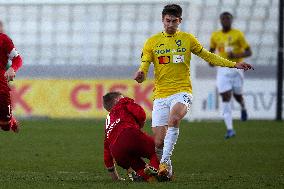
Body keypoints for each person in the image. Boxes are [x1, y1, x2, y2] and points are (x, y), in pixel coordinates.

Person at [134, 4, 253, 178]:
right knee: (158, 142)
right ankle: (167, 170)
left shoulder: (187, 39)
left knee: (174, 119)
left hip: (182, 91)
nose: (170, 24)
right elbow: (144, 65)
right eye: (167, 20)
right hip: (161, 94)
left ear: (180, 21)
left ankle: (165, 163)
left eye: (174, 21)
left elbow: (208, 55)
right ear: (162, 20)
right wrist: (141, 74)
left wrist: (233, 64)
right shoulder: (152, 42)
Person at [209, 12, 252, 139]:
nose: (225, 21)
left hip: (237, 69)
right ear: (220, 20)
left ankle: (243, 106)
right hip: (222, 69)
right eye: (223, 19)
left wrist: (236, 56)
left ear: (231, 21)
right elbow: (211, 51)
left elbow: (249, 51)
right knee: (225, 97)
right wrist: (210, 61)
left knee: (238, 96)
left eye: (228, 19)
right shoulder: (215, 35)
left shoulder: (238, 34)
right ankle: (230, 129)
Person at [103, 91, 160, 182]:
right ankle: (156, 170)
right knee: (158, 149)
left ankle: (142, 175)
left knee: (139, 165)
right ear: (117, 99)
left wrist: (115, 177)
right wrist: (139, 126)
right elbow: (141, 114)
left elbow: (107, 152)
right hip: (129, 134)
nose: (124, 98)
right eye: (122, 97)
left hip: (116, 151)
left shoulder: (108, 122)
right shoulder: (123, 103)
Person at [0, 20, 23, 132]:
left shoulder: (4, 41)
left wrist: (12, 69)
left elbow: (17, 59)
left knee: (5, 126)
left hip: (1, 85)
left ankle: (10, 120)